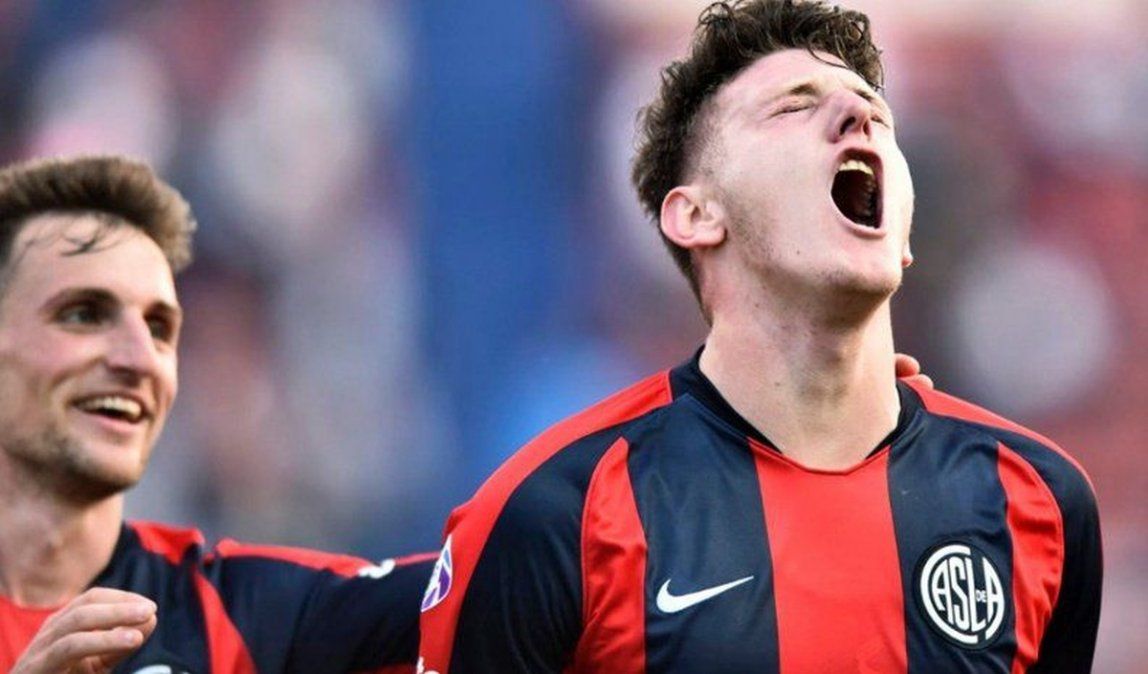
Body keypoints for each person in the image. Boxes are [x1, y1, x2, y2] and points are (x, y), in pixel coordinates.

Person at [416, 1, 1102, 672]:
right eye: (793, 108)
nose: (857, 114)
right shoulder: (557, 512)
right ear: (696, 215)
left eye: (876, 112)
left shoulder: (1037, 499)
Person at [0, 155, 433, 673]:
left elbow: (493, 573)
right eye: (84, 314)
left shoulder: (260, 617)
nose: (140, 359)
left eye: (159, 328)